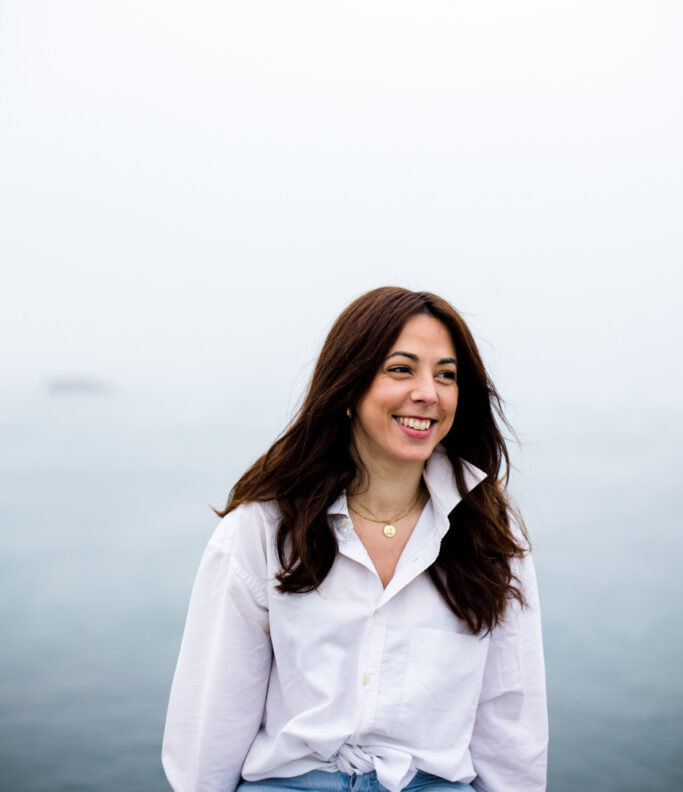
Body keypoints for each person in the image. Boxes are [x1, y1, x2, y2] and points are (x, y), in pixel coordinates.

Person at [162, 287, 548, 792]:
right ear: (348, 385)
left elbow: (510, 715)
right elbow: (211, 716)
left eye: (446, 375)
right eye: (401, 369)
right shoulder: (264, 528)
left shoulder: (490, 535)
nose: (428, 392)